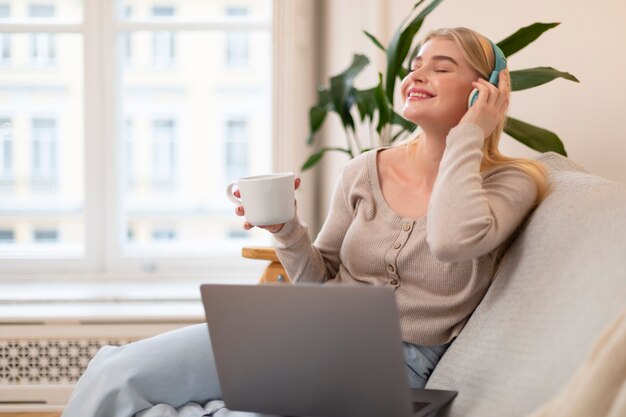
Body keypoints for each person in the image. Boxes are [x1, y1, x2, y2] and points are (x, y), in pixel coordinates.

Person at [61, 27, 547, 417]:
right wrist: (286, 230)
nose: (416, 75)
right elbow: (319, 279)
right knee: (115, 372)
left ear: (486, 92)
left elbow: (450, 241)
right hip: (307, 330)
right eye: (415, 64)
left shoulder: (513, 181)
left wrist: (469, 136)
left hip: (390, 364)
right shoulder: (364, 169)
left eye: (442, 67)